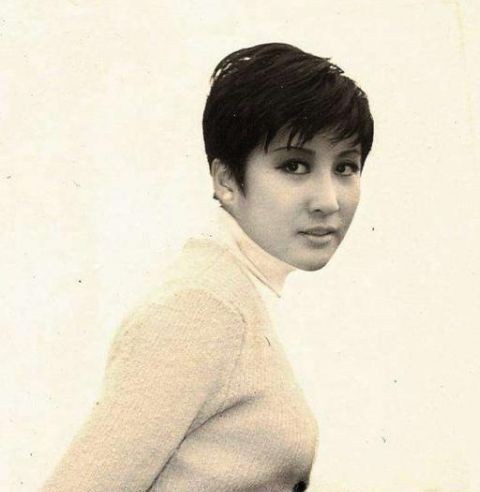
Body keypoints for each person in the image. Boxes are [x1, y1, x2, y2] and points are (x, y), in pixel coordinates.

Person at [41, 42, 374, 491]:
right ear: (226, 179)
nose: (328, 200)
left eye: (346, 167)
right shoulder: (201, 306)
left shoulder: (234, 294)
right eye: (295, 165)